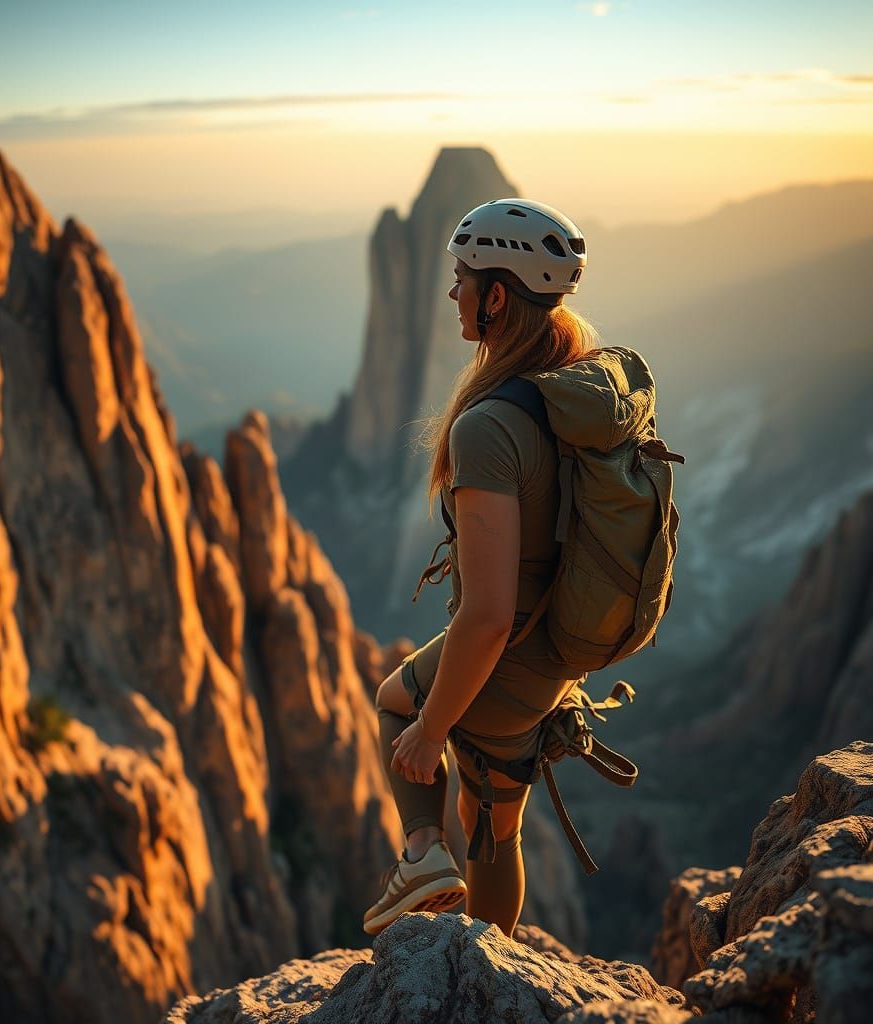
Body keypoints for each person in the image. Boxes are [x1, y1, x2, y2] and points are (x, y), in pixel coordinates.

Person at [363, 198, 599, 939]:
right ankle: (486, 959)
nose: (452, 292)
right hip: (557, 640)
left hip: (513, 648)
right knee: (496, 815)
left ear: (498, 296)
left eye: (463, 278)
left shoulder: (489, 428)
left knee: (397, 705)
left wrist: (432, 729)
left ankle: (425, 861)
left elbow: (488, 612)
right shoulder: (573, 381)